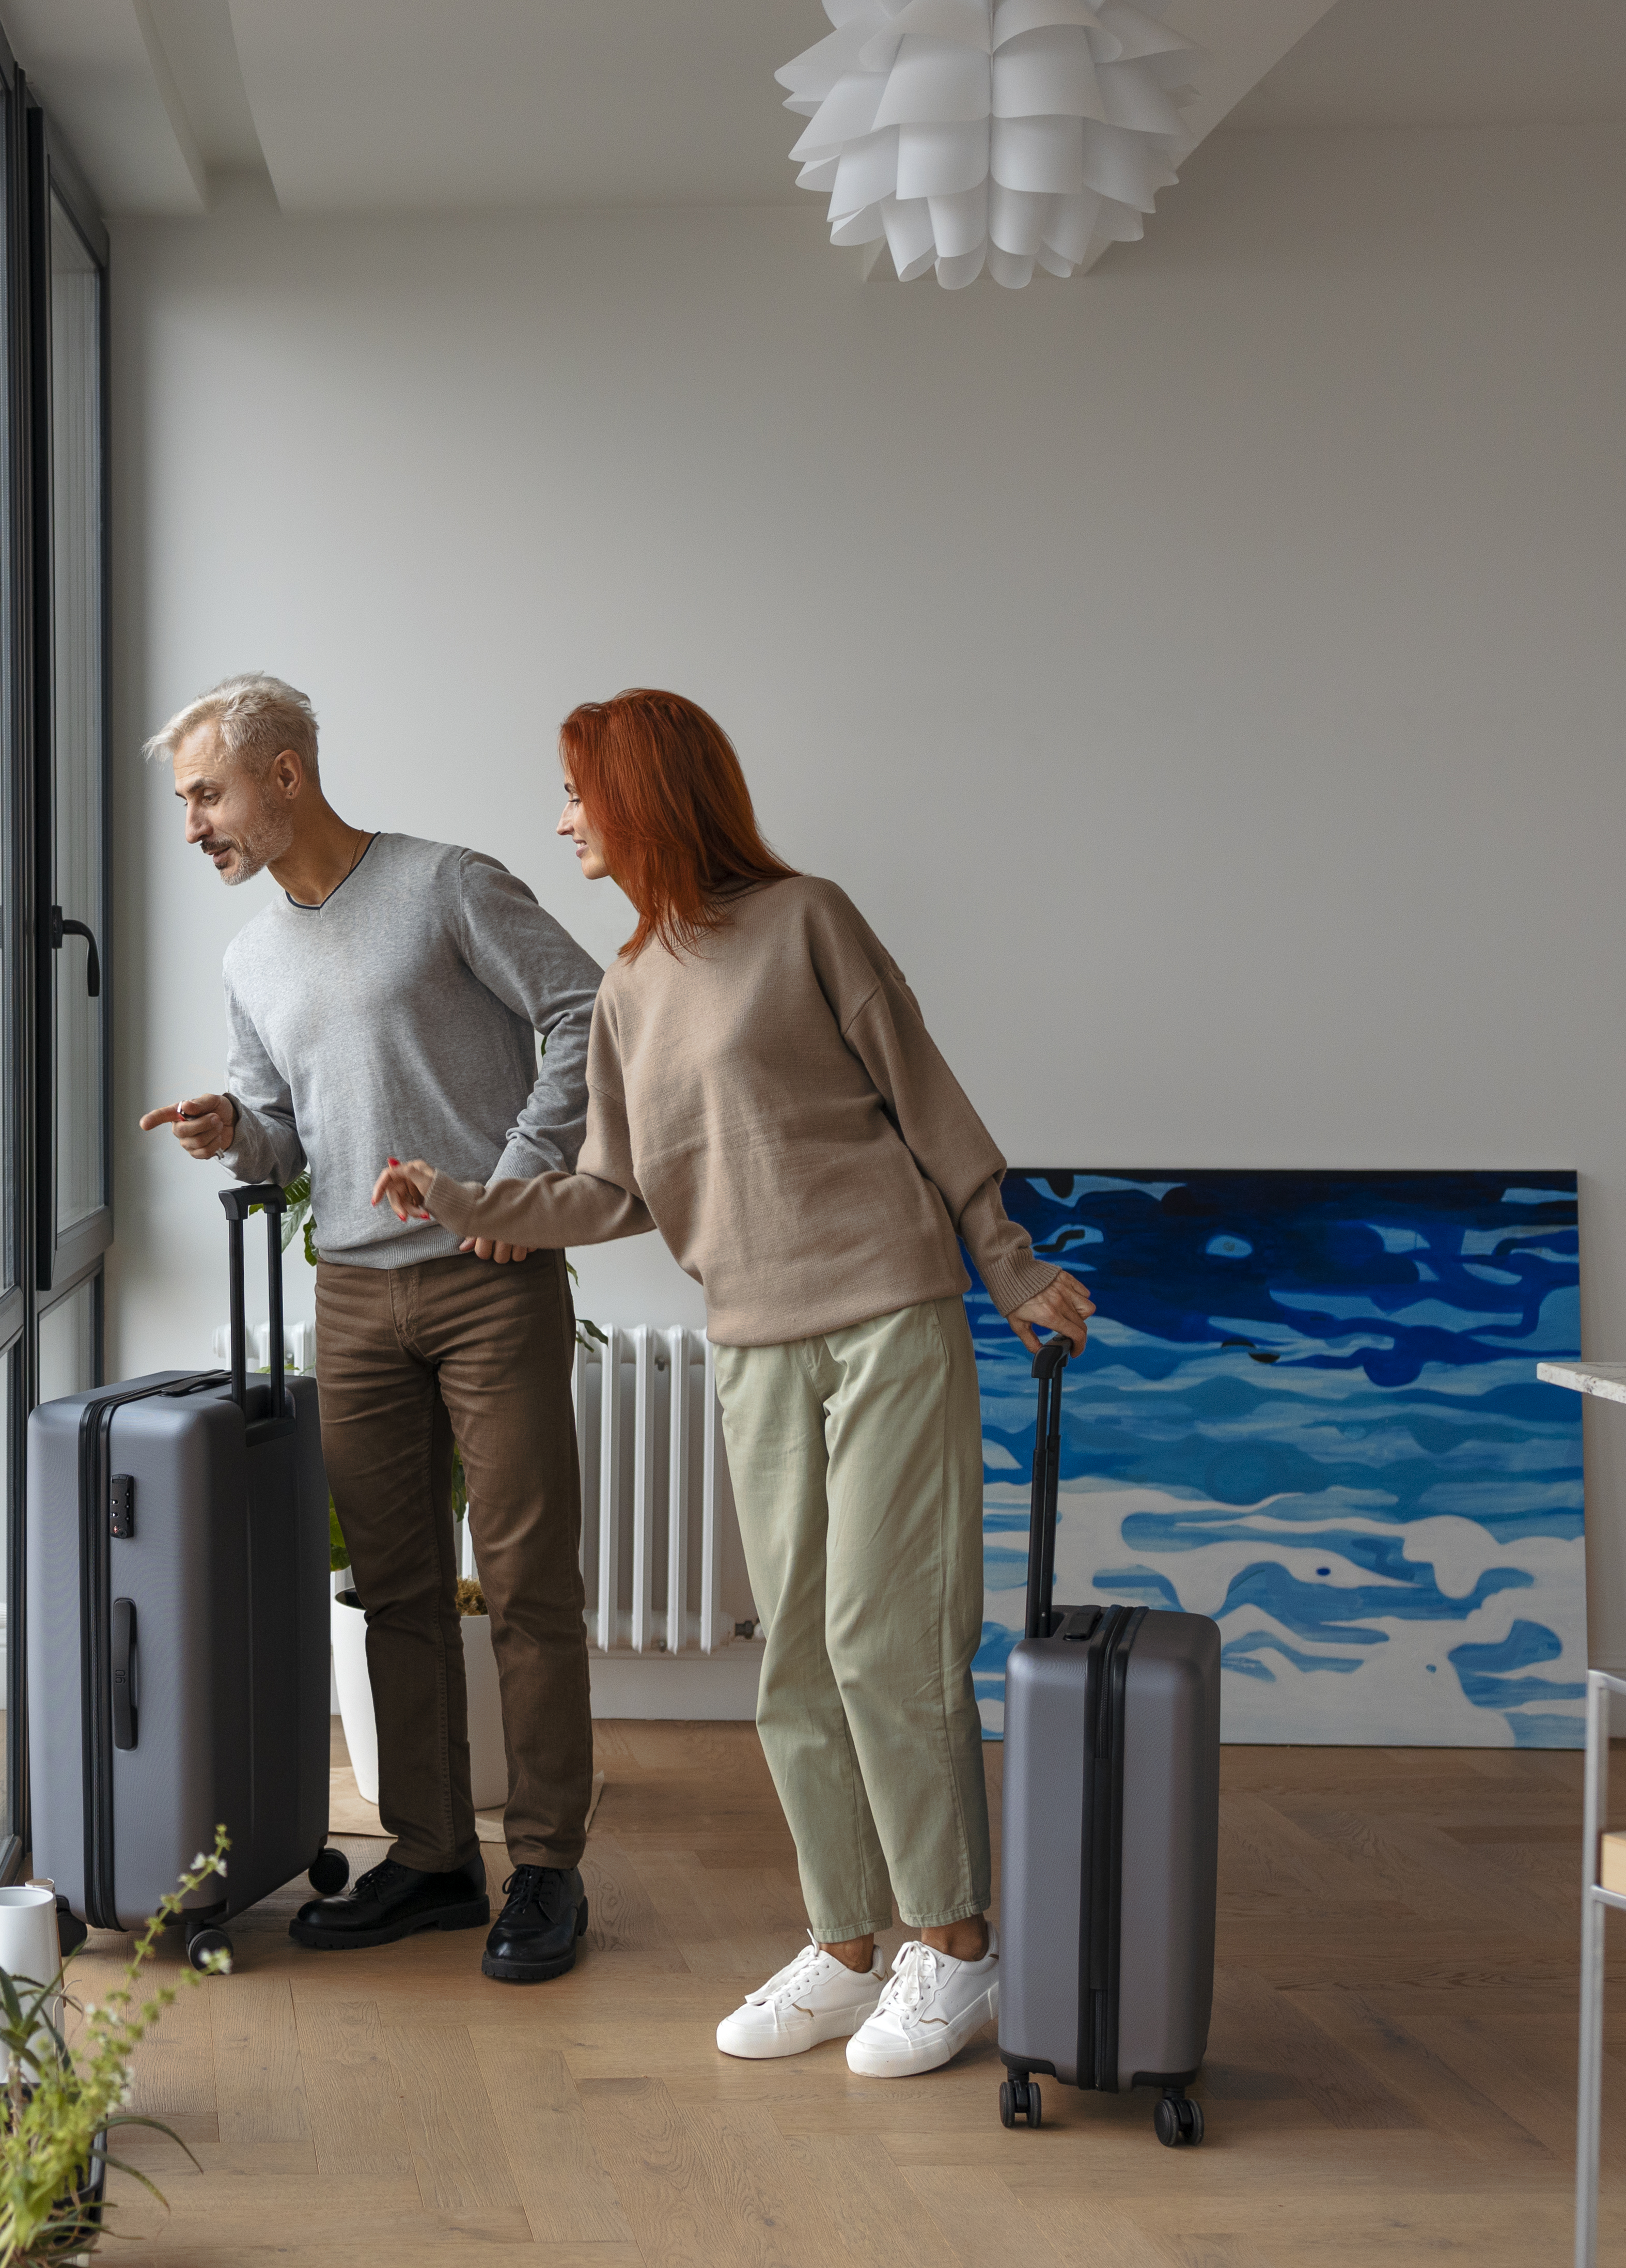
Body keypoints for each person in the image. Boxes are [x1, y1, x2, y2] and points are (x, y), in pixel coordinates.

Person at [374, 688, 1094, 2079]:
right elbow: (611, 1187)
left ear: (646, 794)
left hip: (888, 1311)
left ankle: (954, 1950)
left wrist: (1005, 1265)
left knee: (892, 1643)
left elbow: (929, 1100)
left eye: (581, 792)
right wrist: (469, 1197)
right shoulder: (632, 986)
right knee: (798, 1661)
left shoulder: (807, 919)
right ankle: (844, 1944)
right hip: (754, 1338)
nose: (565, 817)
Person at [137, 672, 606, 1985]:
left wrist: (514, 1182)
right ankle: (433, 1857)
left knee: (523, 1583)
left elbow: (584, 1010)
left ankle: (551, 1867)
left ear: (285, 773)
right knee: (392, 1590)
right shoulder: (247, 958)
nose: (194, 827)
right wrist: (234, 1136)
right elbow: (285, 1145)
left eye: (207, 794)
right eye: (185, 802)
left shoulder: (446, 883)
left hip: (485, 1278)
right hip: (348, 1292)